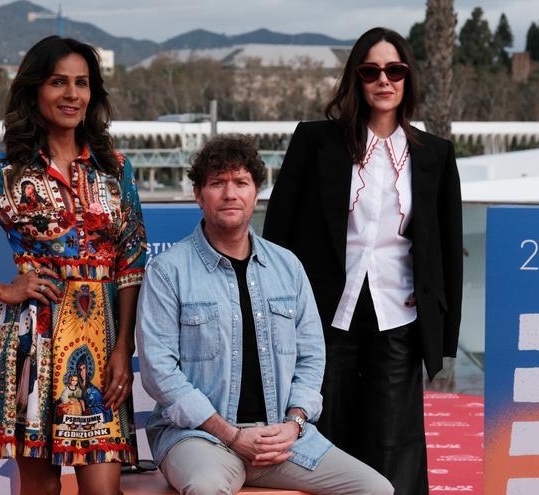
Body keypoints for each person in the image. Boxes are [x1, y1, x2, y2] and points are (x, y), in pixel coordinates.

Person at [0, 35, 146, 495]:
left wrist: (124, 347)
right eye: (59, 82)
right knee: (41, 491)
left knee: (104, 491)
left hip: (101, 348)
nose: (72, 95)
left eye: (82, 84)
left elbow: (132, 259)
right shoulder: (6, 171)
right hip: (30, 345)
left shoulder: (115, 168)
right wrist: (3, 289)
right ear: (35, 90)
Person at [262, 26, 463, 494]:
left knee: (393, 440)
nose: (384, 80)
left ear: (408, 78)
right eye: (371, 70)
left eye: (395, 70)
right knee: (320, 435)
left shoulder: (434, 154)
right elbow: (278, 234)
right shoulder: (315, 143)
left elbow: (448, 249)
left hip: (399, 315)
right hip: (324, 314)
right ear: (357, 78)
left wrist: (443, 332)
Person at [136, 135, 393, 495]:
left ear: (256, 192)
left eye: (240, 182)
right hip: (199, 437)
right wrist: (232, 435)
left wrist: (294, 423)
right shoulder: (168, 271)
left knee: (375, 489)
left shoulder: (287, 267)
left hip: (280, 436)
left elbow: (311, 356)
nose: (230, 194)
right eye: (216, 183)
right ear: (198, 194)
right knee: (206, 488)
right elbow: (160, 372)